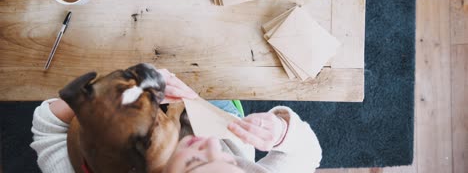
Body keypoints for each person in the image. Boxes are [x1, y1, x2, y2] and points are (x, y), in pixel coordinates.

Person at [31, 69, 322, 172]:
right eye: (233, 165)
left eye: (193, 162)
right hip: (222, 119)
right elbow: (309, 154)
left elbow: (47, 125)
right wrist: (281, 133)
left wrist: (95, 104)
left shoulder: (67, 166)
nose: (211, 145)